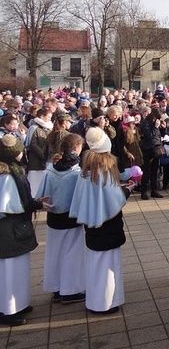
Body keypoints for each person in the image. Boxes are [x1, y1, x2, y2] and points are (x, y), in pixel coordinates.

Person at [69, 127, 135, 314]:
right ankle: (105, 303)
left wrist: (119, 187)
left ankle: (97, 300)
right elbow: (113, 200)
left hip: (92, 225)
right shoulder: (103, 172)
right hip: (108, 227)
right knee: (107, 266)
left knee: (96, 263)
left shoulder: (86, 170)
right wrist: (127, 190)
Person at [0, 135, 53, 326]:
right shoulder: (6, 176)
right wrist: (35, 205)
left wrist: (37, 204)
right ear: (15, 154)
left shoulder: (14, 171)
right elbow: (12, 204)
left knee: (19, 267)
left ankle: (18, 303)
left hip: (16, 226)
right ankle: (7, 309)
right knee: (9, 269)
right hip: (9, 228)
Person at [36, 133, 86, 304]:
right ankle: (70, 290)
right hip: (71, 216)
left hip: (53, 216)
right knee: (72, 253)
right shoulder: (77, 172)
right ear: (76, 148)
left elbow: (41, 194)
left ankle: (55, 287)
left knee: (54, 253)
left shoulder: (50, 169)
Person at [26, 107, 53, 196]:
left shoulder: (49, 128)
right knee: (34, 180)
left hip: (45, 158)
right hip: (35, 159)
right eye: (48, 117)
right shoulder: (33, 128)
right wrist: (42, 155)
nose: (50, 119)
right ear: (42, 116)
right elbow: (33, 144)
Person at [139, 108, 163, 200]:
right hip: (148, 149)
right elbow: (149, 135)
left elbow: (158, 136)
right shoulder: (145, 123)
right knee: (147, 171)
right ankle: (144, 191)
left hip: (156, 148)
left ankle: (154, 190)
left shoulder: (154, 124)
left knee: (155, 171)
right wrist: (156, 127)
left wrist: (161, 128)